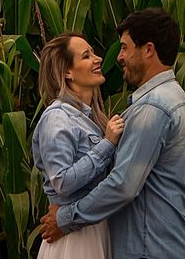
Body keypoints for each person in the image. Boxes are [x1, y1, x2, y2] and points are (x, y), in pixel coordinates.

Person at [40, 8, 185, 258]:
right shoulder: (173, 98)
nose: (118, 57)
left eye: (124, 48)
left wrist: (65, 218)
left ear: (148, 50)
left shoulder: (152, 108)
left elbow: (123, 185)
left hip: (148, 249)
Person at [32, 33, 126, 259]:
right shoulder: (57, 117)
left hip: (92, 228)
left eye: (93, 52)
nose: (98, 59)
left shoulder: (92, 118)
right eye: (86, 56)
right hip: (74, 239)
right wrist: (107, 144)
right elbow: (62, 182)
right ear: (67, 72)